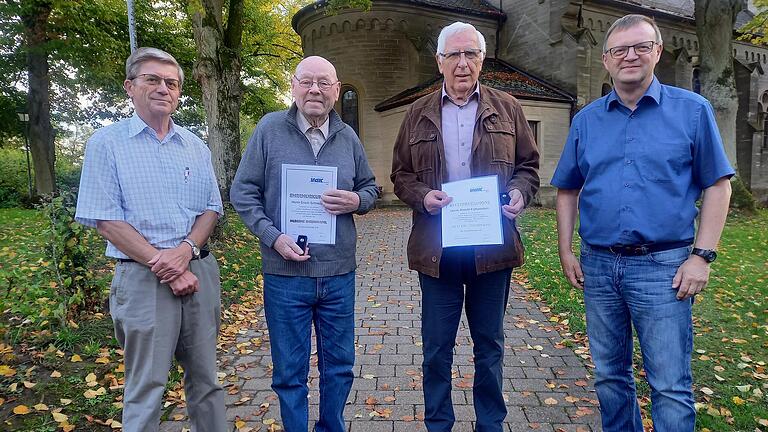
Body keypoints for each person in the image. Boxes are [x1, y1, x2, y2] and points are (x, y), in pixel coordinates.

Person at [551, 14, 734, 432]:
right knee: (610, 378)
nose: (629, 56)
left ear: (657, 51)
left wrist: (702, 256)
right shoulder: (586, 120)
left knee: (669, 384)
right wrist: (565, 251)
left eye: (639, 47)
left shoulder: (693, 111)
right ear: (606, 60)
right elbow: (567, 189)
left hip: (663, 268)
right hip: (598, 266)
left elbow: (718, 186)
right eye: (619, 50)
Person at [390, 21, 540, 432]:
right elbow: (400, 174)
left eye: (470, 54)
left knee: (489, 347)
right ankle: (439, 424)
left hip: (491, 249)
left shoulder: (507, 107)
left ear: (482, 60)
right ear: (439, 62)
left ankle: (489, 425)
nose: (462, 63)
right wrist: (423, 197)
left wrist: (519, 194)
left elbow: (529, 167)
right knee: (437, 349)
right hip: (437, 250)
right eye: (453, 55)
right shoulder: (417, 113)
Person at [75, 47, 226, 432]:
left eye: (171, 83)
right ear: (130, 87)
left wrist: (186, 250)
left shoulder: (195, 145)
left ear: (178, 92)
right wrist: (169, 267)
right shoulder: (107, 144)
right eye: (152, 79)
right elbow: (106, 220)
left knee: (207, 383)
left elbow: (211, 208)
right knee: (146, 387)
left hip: (200, 272)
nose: (164, 88)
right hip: (143, 280)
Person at [230, 56, 378, 432]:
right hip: (285, 275)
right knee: (289, 372)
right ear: (293, 86)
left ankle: (331, 427)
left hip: (338, 274)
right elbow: (243, 192)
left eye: (324, 83)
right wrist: (273, 237)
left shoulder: (348, 137)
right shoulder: (268, 129)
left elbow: (371, 188)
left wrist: (357, 201)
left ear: (336, 89)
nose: (315, 89)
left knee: (340, 366)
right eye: (307, 81)